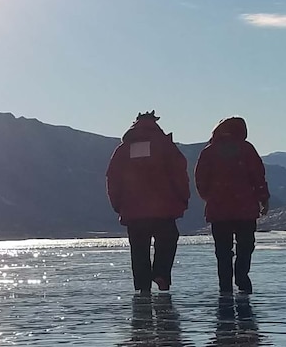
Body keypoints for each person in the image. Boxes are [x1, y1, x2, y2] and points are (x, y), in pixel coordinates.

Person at [106, 111, 191, 294]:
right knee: (167, 240)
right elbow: (180, 175)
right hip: (164, 209)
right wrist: (183, 198)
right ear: (156, 123)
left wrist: (117, 204)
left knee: (138, 249)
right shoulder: (165, 146)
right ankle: (161, 273)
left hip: (133, 211)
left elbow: (113, 178)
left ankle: (142, 287)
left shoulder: (123, 150)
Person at [192, 116, 270, 294]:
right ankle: (242, 277)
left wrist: (210, 197)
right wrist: (263, 198)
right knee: (245, 246)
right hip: (246, 210)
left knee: (222, 251)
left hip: (219, 211)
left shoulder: (209, 152)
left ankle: (225, 286)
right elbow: (258, 176)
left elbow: (200, 180)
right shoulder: (247, 149)